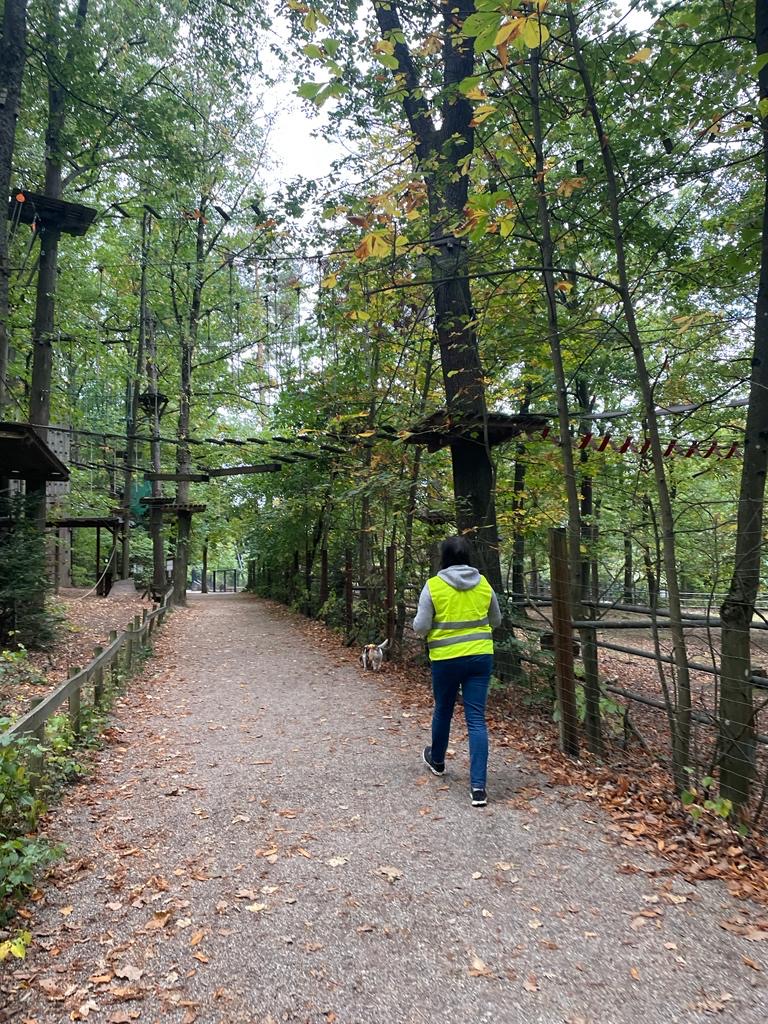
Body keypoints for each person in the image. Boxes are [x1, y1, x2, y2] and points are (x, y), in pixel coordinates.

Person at [412, 535, 502, 807]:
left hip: (446, 659)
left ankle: (438, 761)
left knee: (444, 709)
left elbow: (420, 627)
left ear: (444, 557)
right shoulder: (484, 584)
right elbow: (496, 620)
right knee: (476, 718)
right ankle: (478, 788)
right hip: (480, 658)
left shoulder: (434, 586)